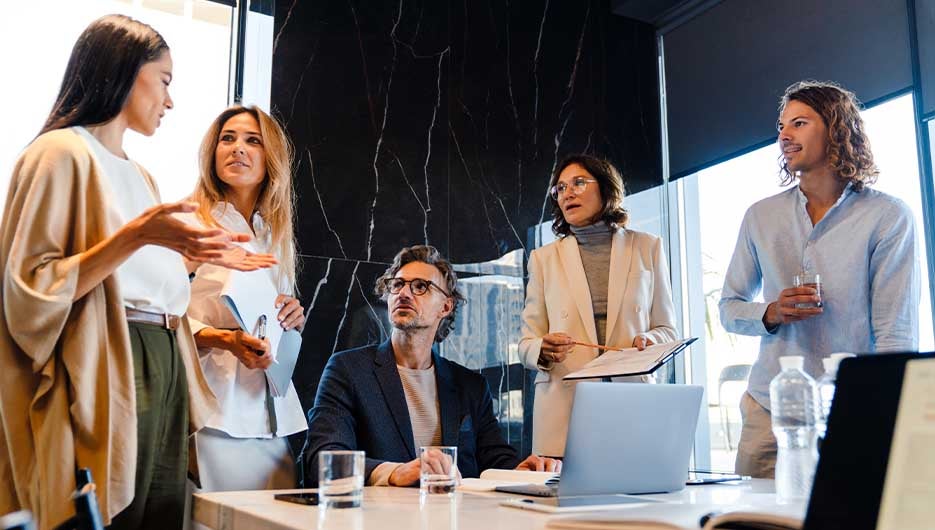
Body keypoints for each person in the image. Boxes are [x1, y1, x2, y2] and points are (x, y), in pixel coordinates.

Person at [0, 15, 271, 530]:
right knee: (105, 511)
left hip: (166, 360)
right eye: (165, 80)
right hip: (108, 358)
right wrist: (139, 235)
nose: (169, 101)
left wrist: (197, 256)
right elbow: (28, 289)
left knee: (159, 513)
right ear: (125, 71)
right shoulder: (60, 153)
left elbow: (151, 282)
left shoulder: (139, 172)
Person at [719, 80, 920, 478]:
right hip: (769, 406)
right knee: (752, 522)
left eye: (798, 123)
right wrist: (772, 312)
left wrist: (887, 408)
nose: (784, 136)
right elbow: (729, 308)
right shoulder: (760, 216)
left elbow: (895, 331)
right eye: (781, 126)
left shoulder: (888, 216)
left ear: (836, 127)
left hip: (853, 406)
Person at [304, 245, 561, 486]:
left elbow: (495, 458)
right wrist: (394, 472)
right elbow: (322, 459)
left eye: (421, 287)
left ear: (446, 306)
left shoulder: (470, 386)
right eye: (398, 285)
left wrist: (524, 470)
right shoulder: (348, 370)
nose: (404, 293)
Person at [519, 154, 679, 457]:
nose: (568, 193)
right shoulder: (543, 259)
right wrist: (542, 348)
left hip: (631, 402)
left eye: (579, 182)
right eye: (560, 188)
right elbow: (527, 341)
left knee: (636, 497)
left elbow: (667, 330)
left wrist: (649, 340)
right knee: (566, 503)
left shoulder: (648, 247)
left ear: (606, 189)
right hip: (564, 405)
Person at [184, 105, 307, 491]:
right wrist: (224, 339)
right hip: (214, 407)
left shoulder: (274, 234)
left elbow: (270, 318)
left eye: (252, 140)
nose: (238, 148)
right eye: (228, 139)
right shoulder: (190, 223)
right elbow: (158, 315)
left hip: (270, 409)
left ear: (270, 158)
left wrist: (292, 315)